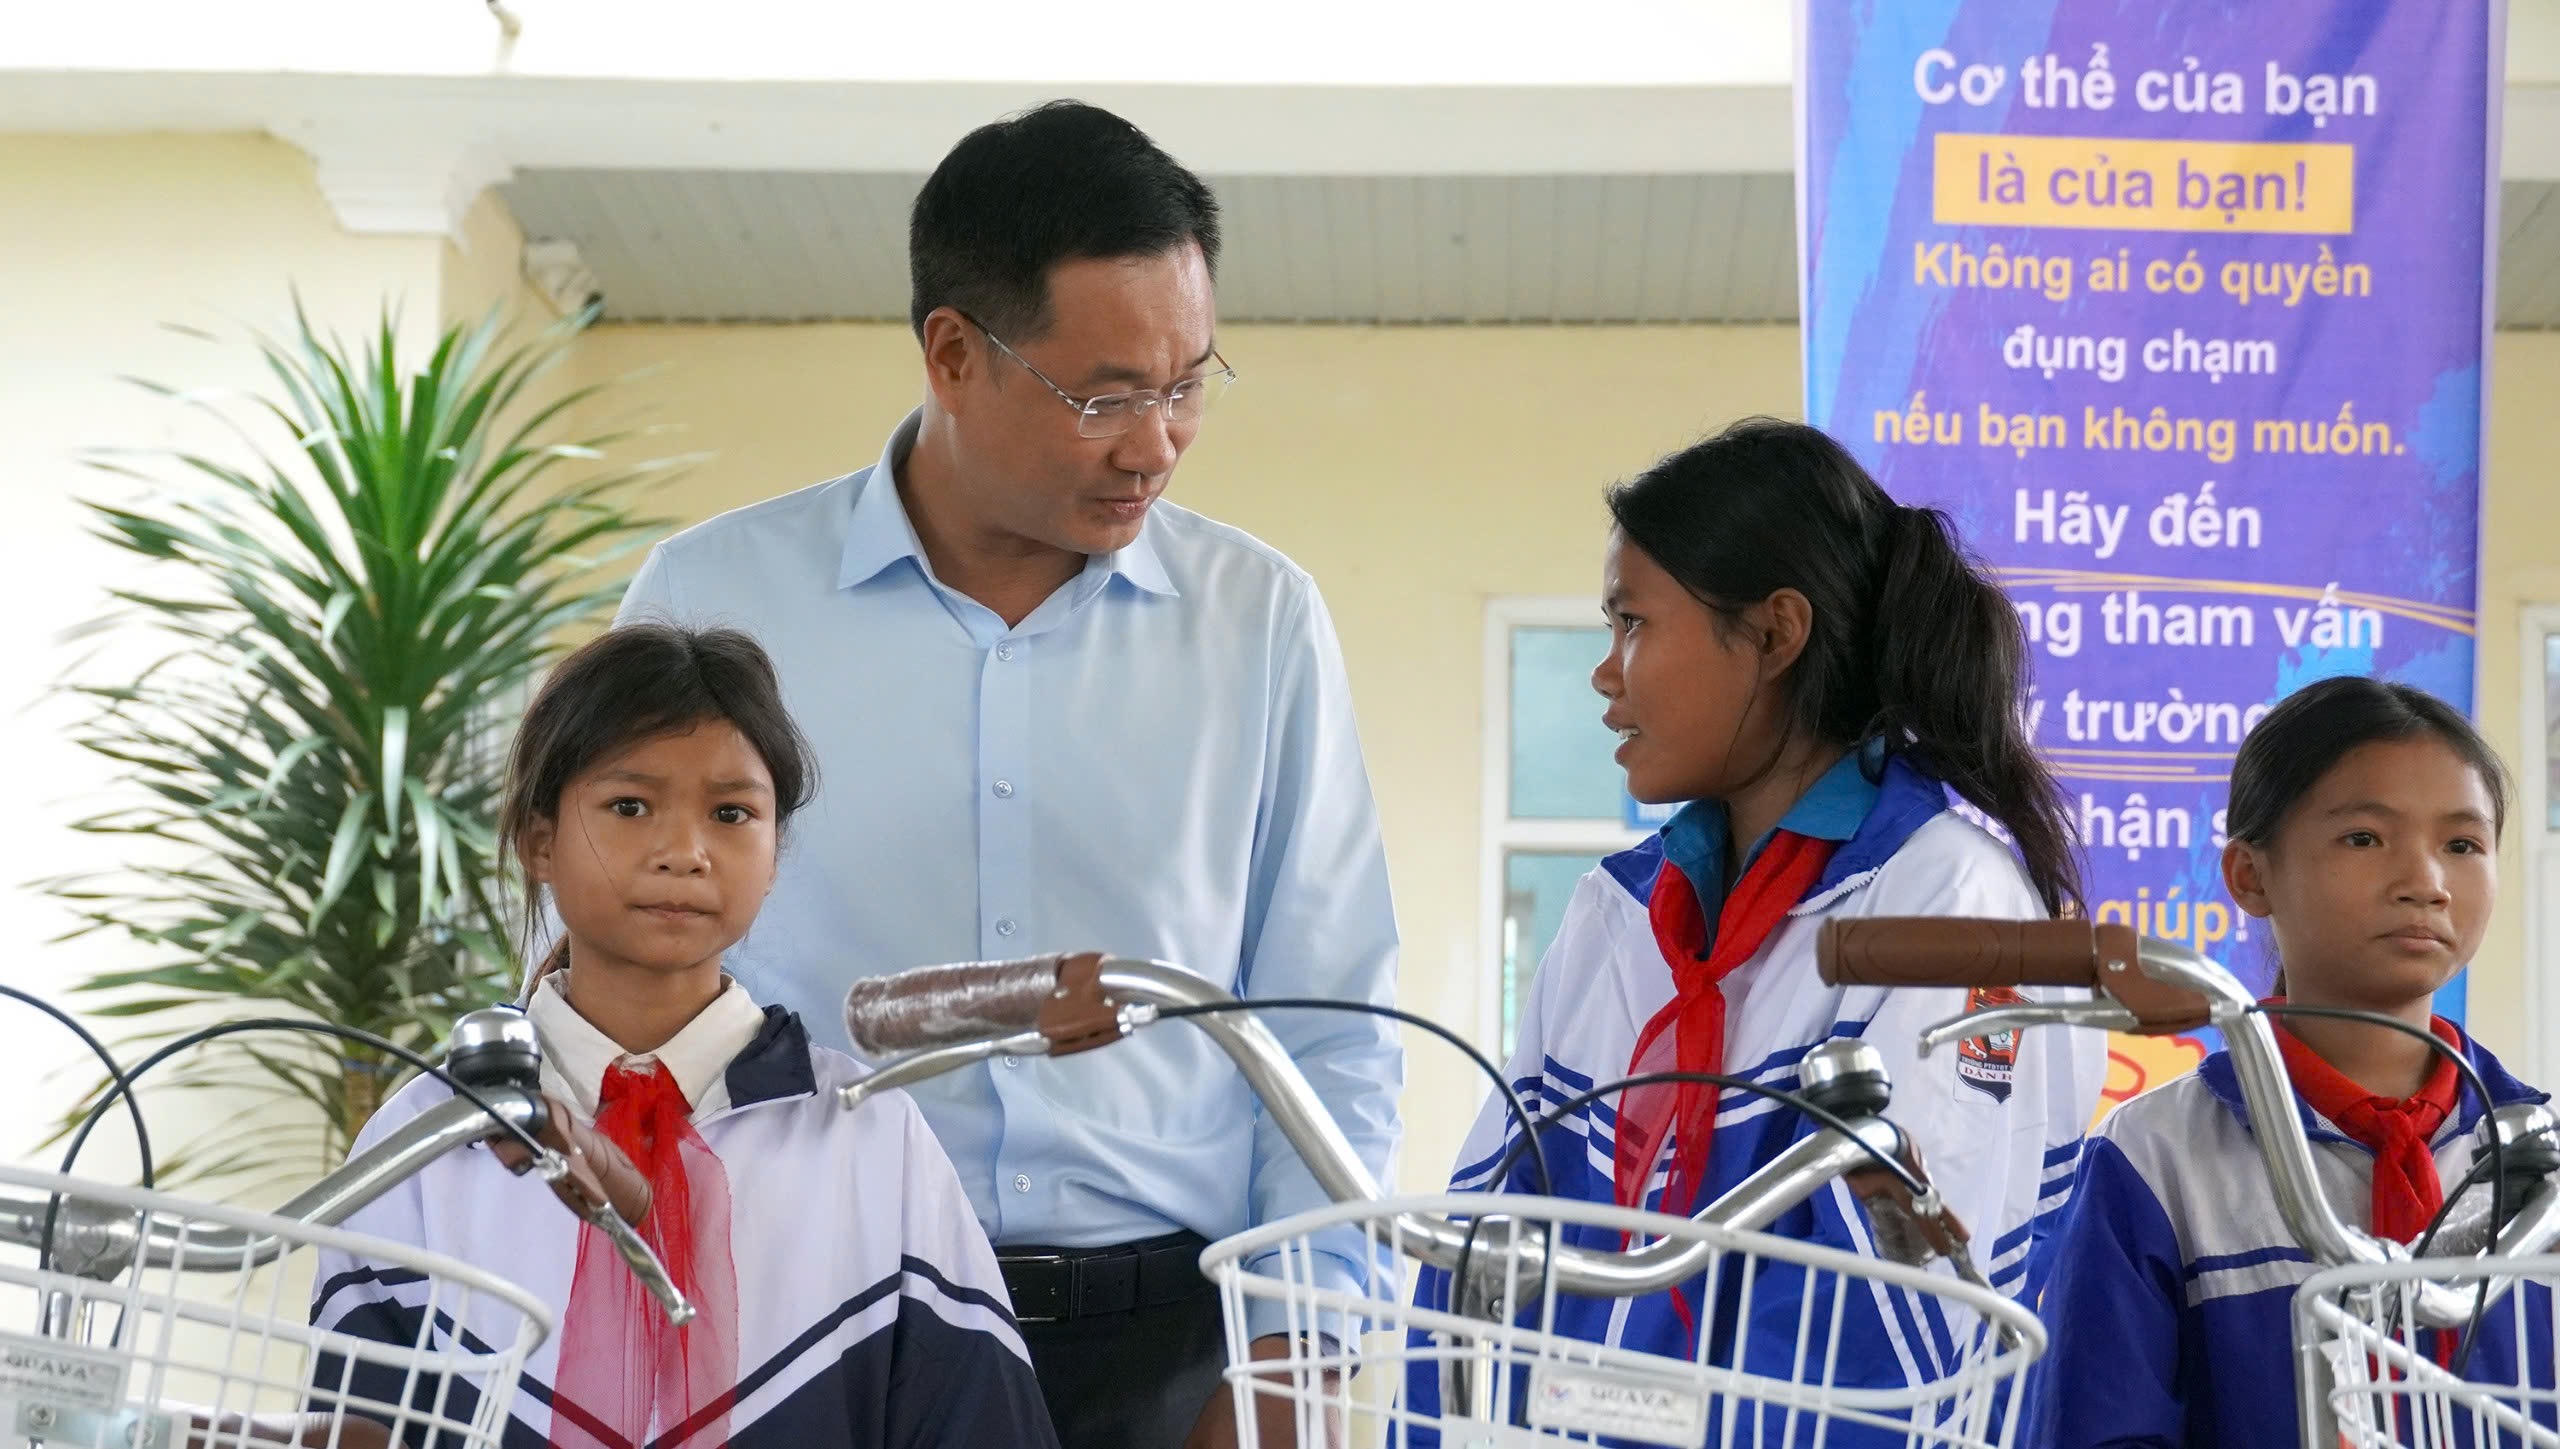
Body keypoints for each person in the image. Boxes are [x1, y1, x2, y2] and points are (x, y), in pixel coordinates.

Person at [611, 100, 1398, 1449]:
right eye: (1105, 396)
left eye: (1188, 384)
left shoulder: (1258, 620)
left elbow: (1327, 1024)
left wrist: (1295, 1361)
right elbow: (609, 972)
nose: (1155, 443)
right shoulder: (713, 602)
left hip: (1168, 1349)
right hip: (811, 1327)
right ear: (954, 353)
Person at [1401, 418, 2105, 1439]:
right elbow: (1486, 1255)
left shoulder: (1946, 903)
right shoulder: (1617, 916)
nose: (1605, 672)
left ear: (1776, 634)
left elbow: (1894, 1318)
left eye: (1633, 622)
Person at [309, 624, 1058, 1449]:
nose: (685, 852)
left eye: (731, 813)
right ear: (539, 841)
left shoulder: (866, 1136)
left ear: (774, 854)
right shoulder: (428, 1141)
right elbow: (355, 1420)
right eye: (630, 806)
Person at [2022, 676, 2555, 1447]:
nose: (2427, 883)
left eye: (2462, 845)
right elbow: (2099, 1428)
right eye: (2365, 838)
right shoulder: (2156, 1157)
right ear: (2250, 874)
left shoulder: (2540, 1159)